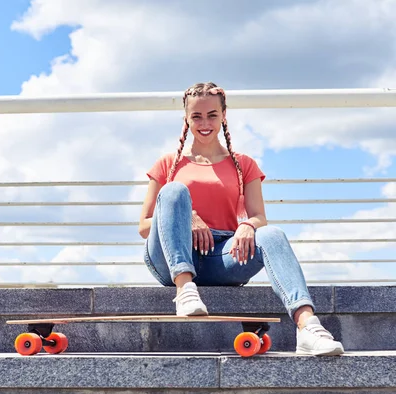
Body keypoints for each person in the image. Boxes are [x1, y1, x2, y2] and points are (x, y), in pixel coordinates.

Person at [138, 82, 344, 356]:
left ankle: (308, 326)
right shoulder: (168, 164)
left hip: (221, 256)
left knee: (273, 235)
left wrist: (248, 225)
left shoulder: (244, 164)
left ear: (224, 115)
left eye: (212, 114)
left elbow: (260, 217)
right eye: (196, 116)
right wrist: (187, 218)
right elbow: (144, 226)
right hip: (170, 256)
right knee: (174, 190)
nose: (204, 122)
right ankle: (185, 289)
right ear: (186, 119)